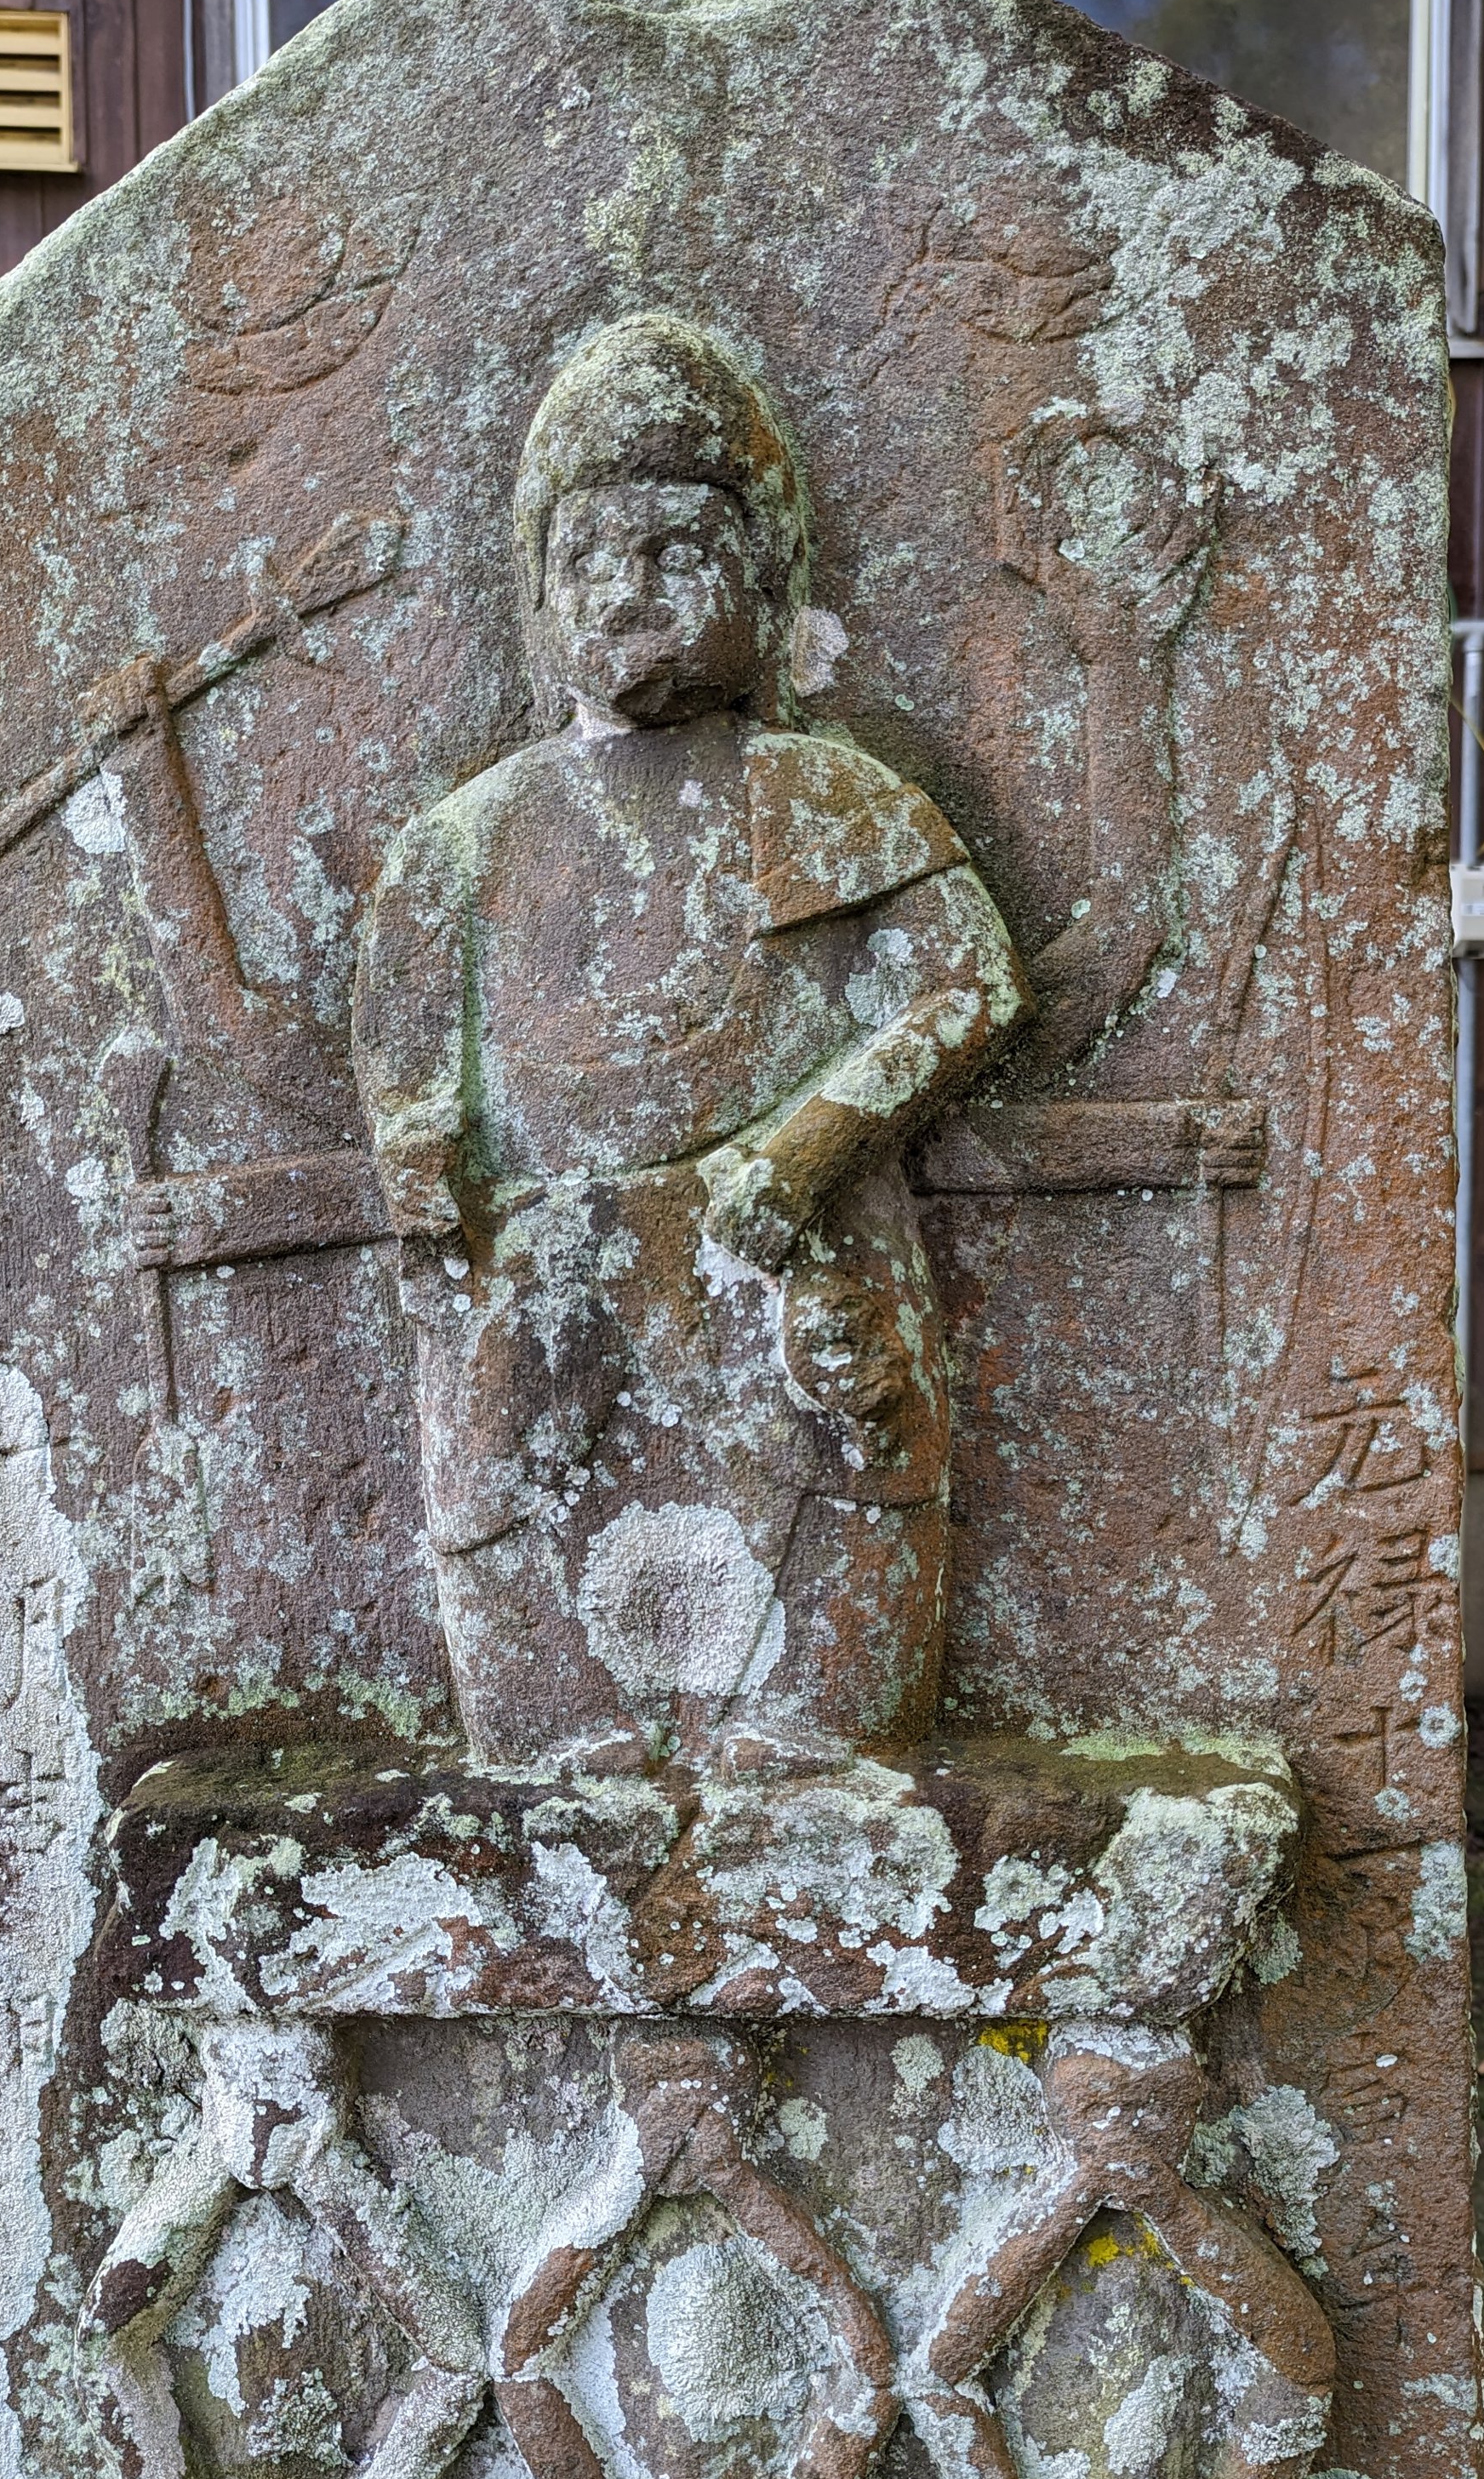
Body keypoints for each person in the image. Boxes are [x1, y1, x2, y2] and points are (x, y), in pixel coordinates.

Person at [353, 311, 1030, 1772]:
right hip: (548, 1274)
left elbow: (968, 987)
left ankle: (818, 1728)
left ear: (763, 584)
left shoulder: (824, 795)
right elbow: (407, 1060)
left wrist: (808, 1147)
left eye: (675, 553)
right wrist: (424, 1168)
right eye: (587, 559)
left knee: (842, 1504)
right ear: (536, 591)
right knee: (519, 1556)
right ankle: (557, 1743)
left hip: (783, 1246)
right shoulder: (466, 843)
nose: (626, 593)